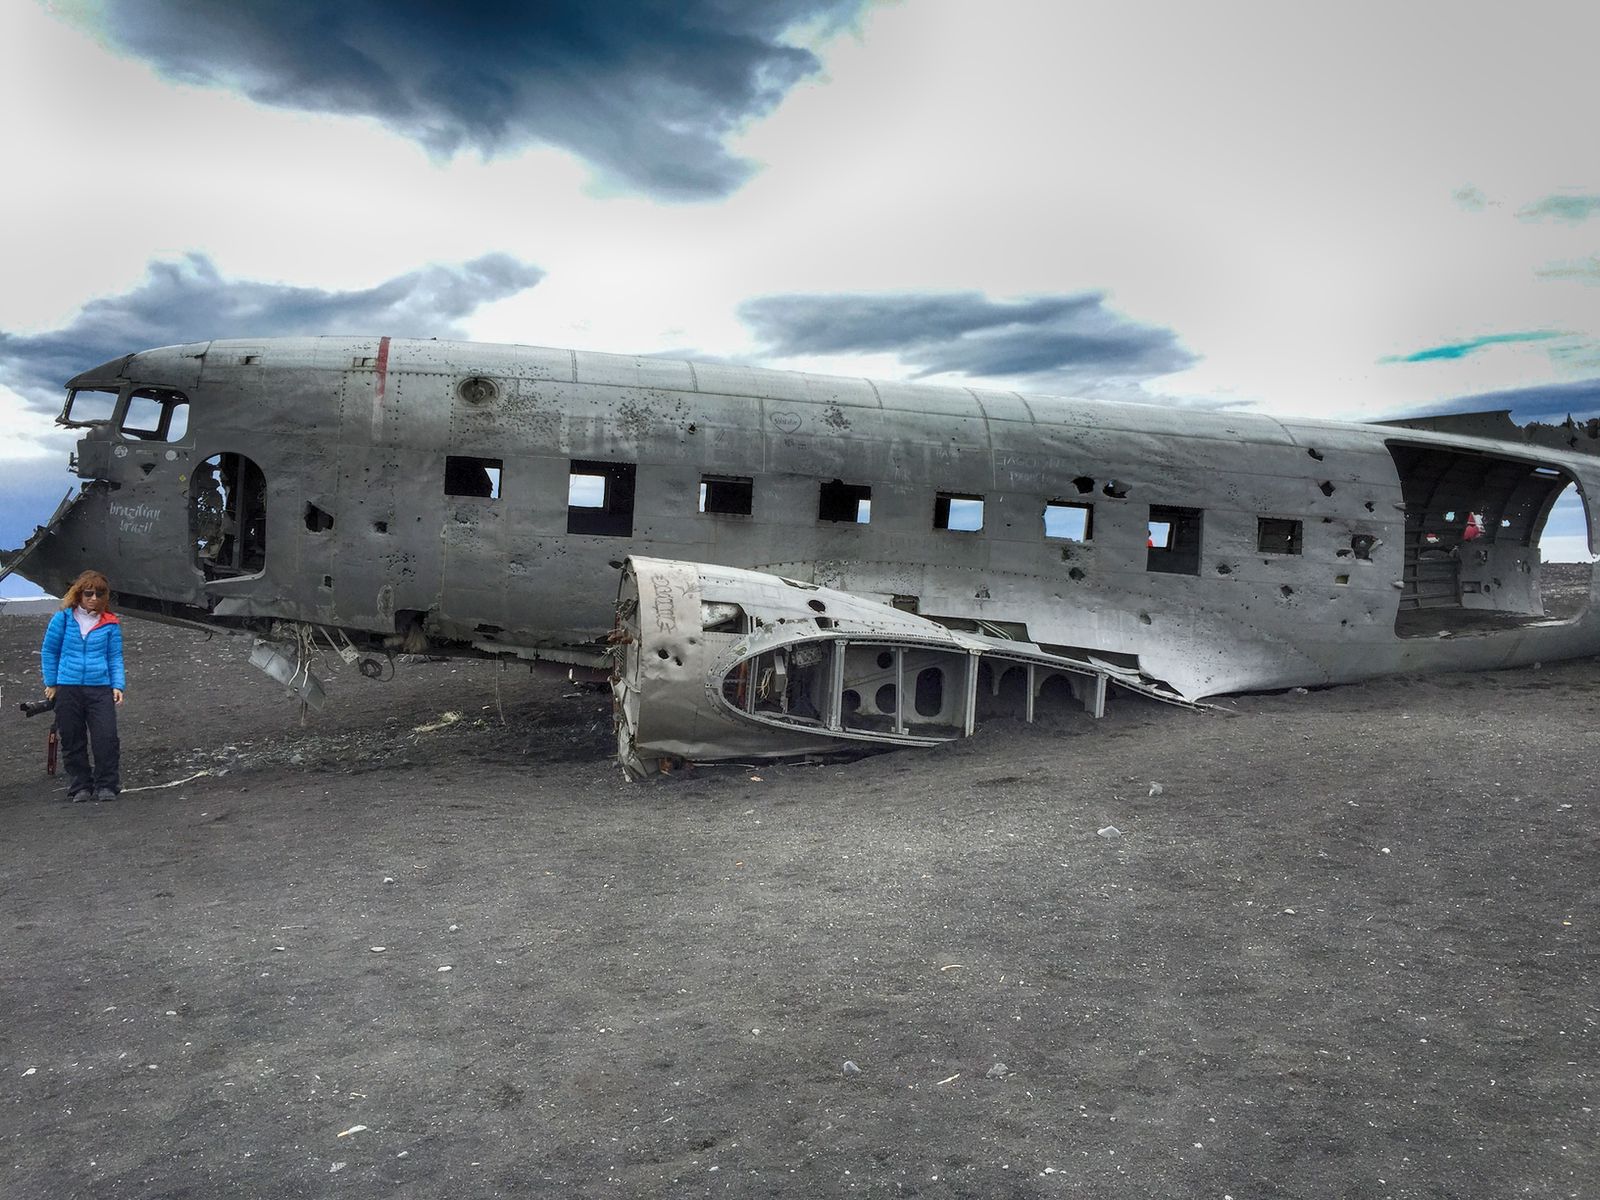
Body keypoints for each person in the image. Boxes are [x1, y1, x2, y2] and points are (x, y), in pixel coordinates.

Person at [40, 570, 125, 802]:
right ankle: (80, 786)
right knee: (72, 738)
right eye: (89, 593)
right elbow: (49, 651)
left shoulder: (110, 623)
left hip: (99, 687)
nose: (94, 598)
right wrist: (52, 682)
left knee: (106, 737)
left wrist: (117, 685)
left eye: (99, 593)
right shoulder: (63, 619)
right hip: (68, 687)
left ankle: (107, 784)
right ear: (78, 594)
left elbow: (115, 657)